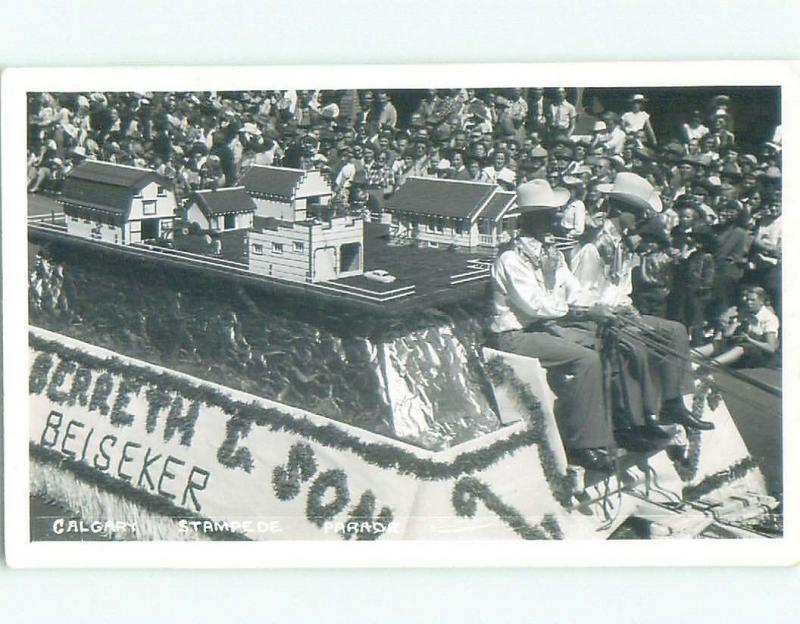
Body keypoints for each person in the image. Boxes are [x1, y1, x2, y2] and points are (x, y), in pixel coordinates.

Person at [487, 179, 615, 471]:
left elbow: (571, 288)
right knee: (586, 359)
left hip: (539, 328)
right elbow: (535, 305)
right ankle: (582, 443)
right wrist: (581, 313)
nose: (558, 218)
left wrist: (596, 306)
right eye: (551, 213)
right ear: (532, 219)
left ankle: (595, 422)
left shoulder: (550, 253)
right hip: (512, 335)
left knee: (603, 340)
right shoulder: (510, 258)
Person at [573, 173, 713, 434]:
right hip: (596, 318)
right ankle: (638, 419)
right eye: (638, 214)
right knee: (637, 345)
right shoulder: (594, 245)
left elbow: (623, 288)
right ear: (620, 210)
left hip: (621, 312)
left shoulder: (623, 243)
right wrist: (610, 312)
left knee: (676, 331)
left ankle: (672, 402)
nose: (642, 220)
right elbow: (580, 294)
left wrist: (627, 309)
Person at [695, 286, 779, 367]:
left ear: (761, 301)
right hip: (745, 348)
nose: (749, 303)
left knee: (742, 347)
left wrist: (749, 339)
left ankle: (710, 364)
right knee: (722, 343)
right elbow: (727, 334)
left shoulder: (769, 318)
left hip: (761, 354)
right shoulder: (745, 312)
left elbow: (770, 348)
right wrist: (737, 321)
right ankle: (690, 354)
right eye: (748, 299)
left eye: (753, 300)